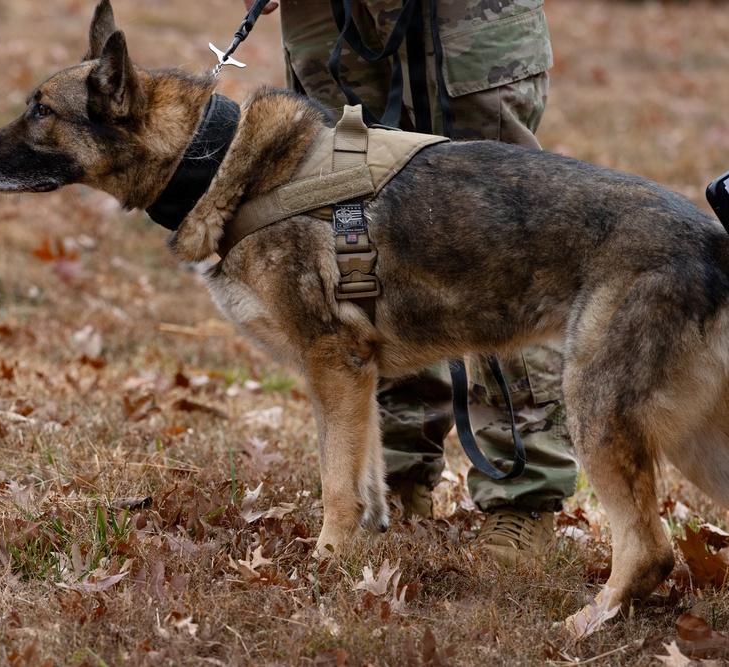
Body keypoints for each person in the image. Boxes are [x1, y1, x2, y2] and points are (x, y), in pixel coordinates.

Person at [242, 0, 578, 564]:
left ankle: (522, 493)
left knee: (495, 239)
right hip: (330, 17)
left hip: (462, 19)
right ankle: (393, 475)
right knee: (349, 225)